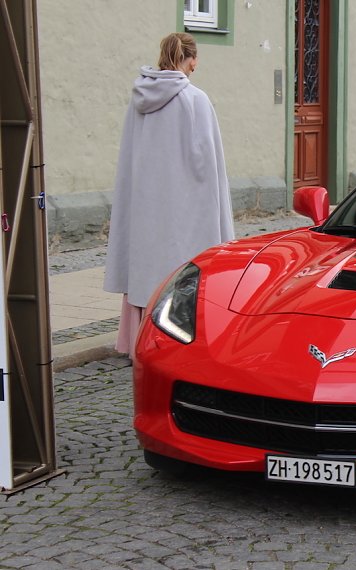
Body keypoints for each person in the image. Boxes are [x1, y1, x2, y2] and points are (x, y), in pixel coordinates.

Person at [103, 32, 235, 357]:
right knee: (182, 268)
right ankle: (177, 341)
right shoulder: (195, 99)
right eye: (195, 59)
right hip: (184, 205)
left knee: (146, 265)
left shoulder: (140, 99)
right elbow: (208, 165)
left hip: (145, 204)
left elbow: (131, 155)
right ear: (191, 61)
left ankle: (138, 341)